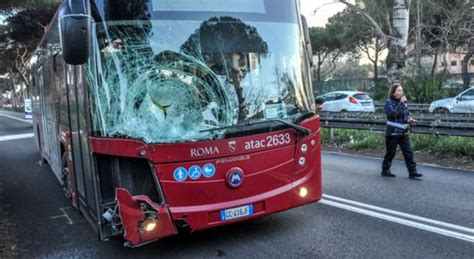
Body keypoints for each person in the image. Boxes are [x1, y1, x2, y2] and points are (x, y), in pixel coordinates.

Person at [381, 83, 423, 179]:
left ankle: (412, 172)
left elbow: (406, 115)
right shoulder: (388, 103)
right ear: (393, 93)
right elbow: (393, 114)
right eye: (399, 90)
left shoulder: (403, 104)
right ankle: (385, 170)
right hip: (392, 133)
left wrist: (410, 119)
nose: (401, 92)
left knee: (408, 152)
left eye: (402, 90)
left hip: (403, 132)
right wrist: (401, 103)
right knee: (391, 152)